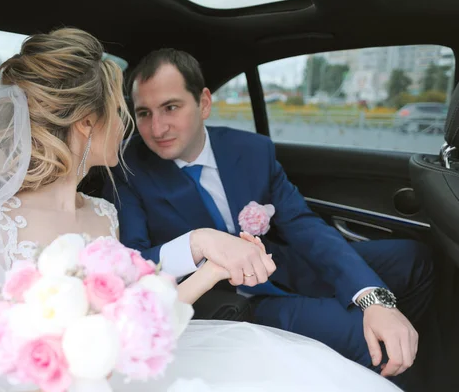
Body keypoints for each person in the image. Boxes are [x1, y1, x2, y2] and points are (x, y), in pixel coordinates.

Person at [0, 28, 401, 392]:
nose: (134, 127)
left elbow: (142, 310)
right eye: (123, 111)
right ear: (88, 124)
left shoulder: (101, 212)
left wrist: (211, 265)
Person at [104, 48, 435, 387]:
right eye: (144, 113)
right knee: (367, 337)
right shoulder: (129, 169)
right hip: (230, 300)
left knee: (415, 259)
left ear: (203, 103)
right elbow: (135, 260)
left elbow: (304, 226)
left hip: (282, 265)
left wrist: (371, 298)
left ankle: (405, 345)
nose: (157, 128)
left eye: (170, 107)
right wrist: (197, 245)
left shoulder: (250, 150)